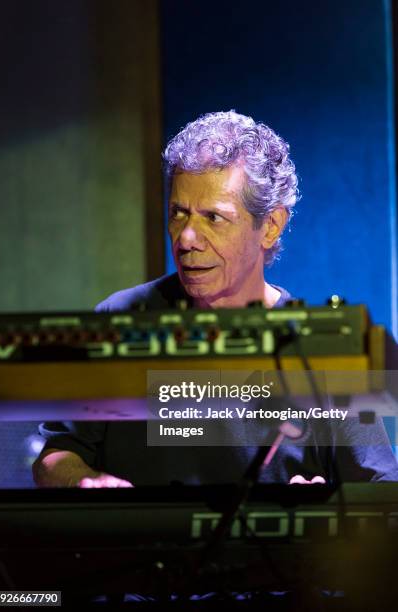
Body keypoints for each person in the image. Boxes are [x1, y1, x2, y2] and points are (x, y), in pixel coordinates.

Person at [32, 110, 398, 488]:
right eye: (178, 214)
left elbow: (381, 488)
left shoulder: (320, 350)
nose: (186, 239)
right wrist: (87, 483)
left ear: (270, 226)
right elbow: (55, 459)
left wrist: (323, 508)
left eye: (213, 217)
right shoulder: (119, 320)